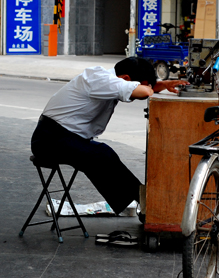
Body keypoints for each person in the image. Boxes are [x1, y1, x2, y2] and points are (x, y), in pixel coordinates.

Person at [31, 57, 189, 218]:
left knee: (101, 155)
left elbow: (142, 88)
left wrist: (162, 84)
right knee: (102, 154)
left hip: (65, 137)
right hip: (48, 140)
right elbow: (143, 92)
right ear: (126, 79)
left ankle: (141, 200)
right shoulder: (100, 79)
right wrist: (149, 88)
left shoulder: (110, 79)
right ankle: (146, 201)